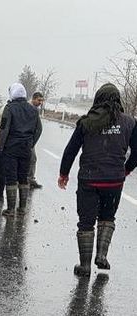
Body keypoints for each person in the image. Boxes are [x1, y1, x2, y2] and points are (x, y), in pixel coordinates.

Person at [58, 83, 137, 276]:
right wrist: (126, 169)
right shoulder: (130, 122)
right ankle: (102, 256)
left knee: (86, 222)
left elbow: (71, 150)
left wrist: (64, 174)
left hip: (89, 180)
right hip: (114, 181)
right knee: (107, 217)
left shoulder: (86, 122)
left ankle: (84, 266)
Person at [0, 83, 42, 217]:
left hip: (11, 148)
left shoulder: (9, 108)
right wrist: (31, 143)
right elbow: (39, 129)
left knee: (11, 178)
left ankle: (11, 209)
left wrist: (1, 145)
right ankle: (22, 209)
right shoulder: (33, 110)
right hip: (26, 148)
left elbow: (4, 129)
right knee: (23, 177)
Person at [28, 91, 46, 189]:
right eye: (39, 100)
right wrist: (32, 142)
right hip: (27, 139)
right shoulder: (30, 108)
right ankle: (29, 179)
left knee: (31, 159)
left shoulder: (33, 108)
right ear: (33, 99)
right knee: (32, 159)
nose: (40, 103)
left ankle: (28, 179)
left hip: (28, 139)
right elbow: (39, 128)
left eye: (41, 101)